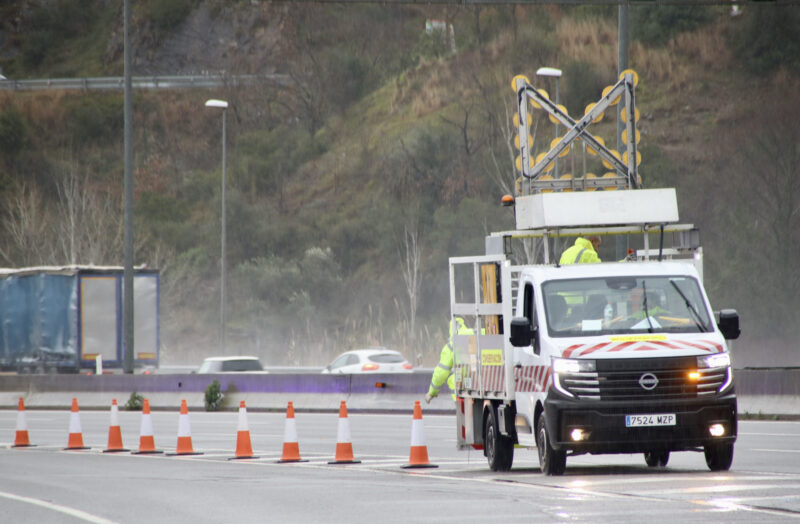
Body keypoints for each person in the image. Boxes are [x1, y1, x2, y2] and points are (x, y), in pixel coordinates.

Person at [425, 317, 472, 403]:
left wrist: (432, 392)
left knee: (452, 380)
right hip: (487, 376)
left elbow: (441, 373)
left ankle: (461, 407)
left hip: (468, 379)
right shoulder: (476, 333)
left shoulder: (452, 344)